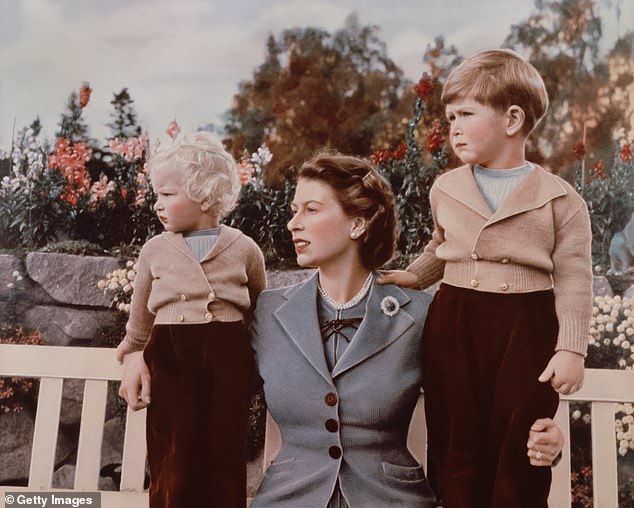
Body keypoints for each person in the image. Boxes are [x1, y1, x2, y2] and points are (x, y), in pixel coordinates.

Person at [248, 153, 565, 508]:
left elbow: (478, 413)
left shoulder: (418, 315)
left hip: (390, 500)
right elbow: (217, 407)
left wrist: (544, 441)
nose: (294, 223)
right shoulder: (270, 312)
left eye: (311, 209)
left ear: (358, 224)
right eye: (294, 210)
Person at [379, 49, 592, 507]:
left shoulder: (560, 199)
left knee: (520, 443)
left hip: (526, 326)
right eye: (449, 115)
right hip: (456, 321)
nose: (452, 126)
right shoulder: (446, 188)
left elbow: (575, 275)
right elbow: (441, 245)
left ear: (512, 119)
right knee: (456, 439)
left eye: (466, 114)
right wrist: (416, 277)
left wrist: (571, 348)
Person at [115, 132, 266, 508]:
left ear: (203, 195)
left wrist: (264, 359)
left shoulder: (244, 249)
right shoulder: (155, 250)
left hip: (228, 356)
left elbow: (261, 311)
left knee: (224, 448)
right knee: (174, 451)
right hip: (171, 357)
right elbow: (141, 315)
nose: (157, 205)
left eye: (167, 195)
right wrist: (134, 353)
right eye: (157, 195)